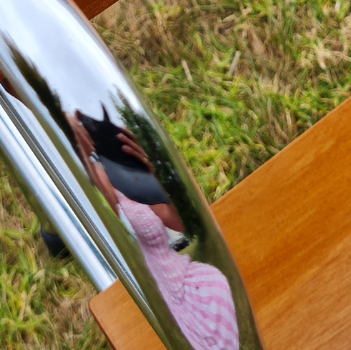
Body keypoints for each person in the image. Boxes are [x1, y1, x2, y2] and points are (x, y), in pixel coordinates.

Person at [69, 106, 239, 350]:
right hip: (142, 290)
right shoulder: (88, 183)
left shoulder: (129, 179)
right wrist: (75, 137)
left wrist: (152, 177)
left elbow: (183, 224)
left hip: (180, 277)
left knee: (217, 286)